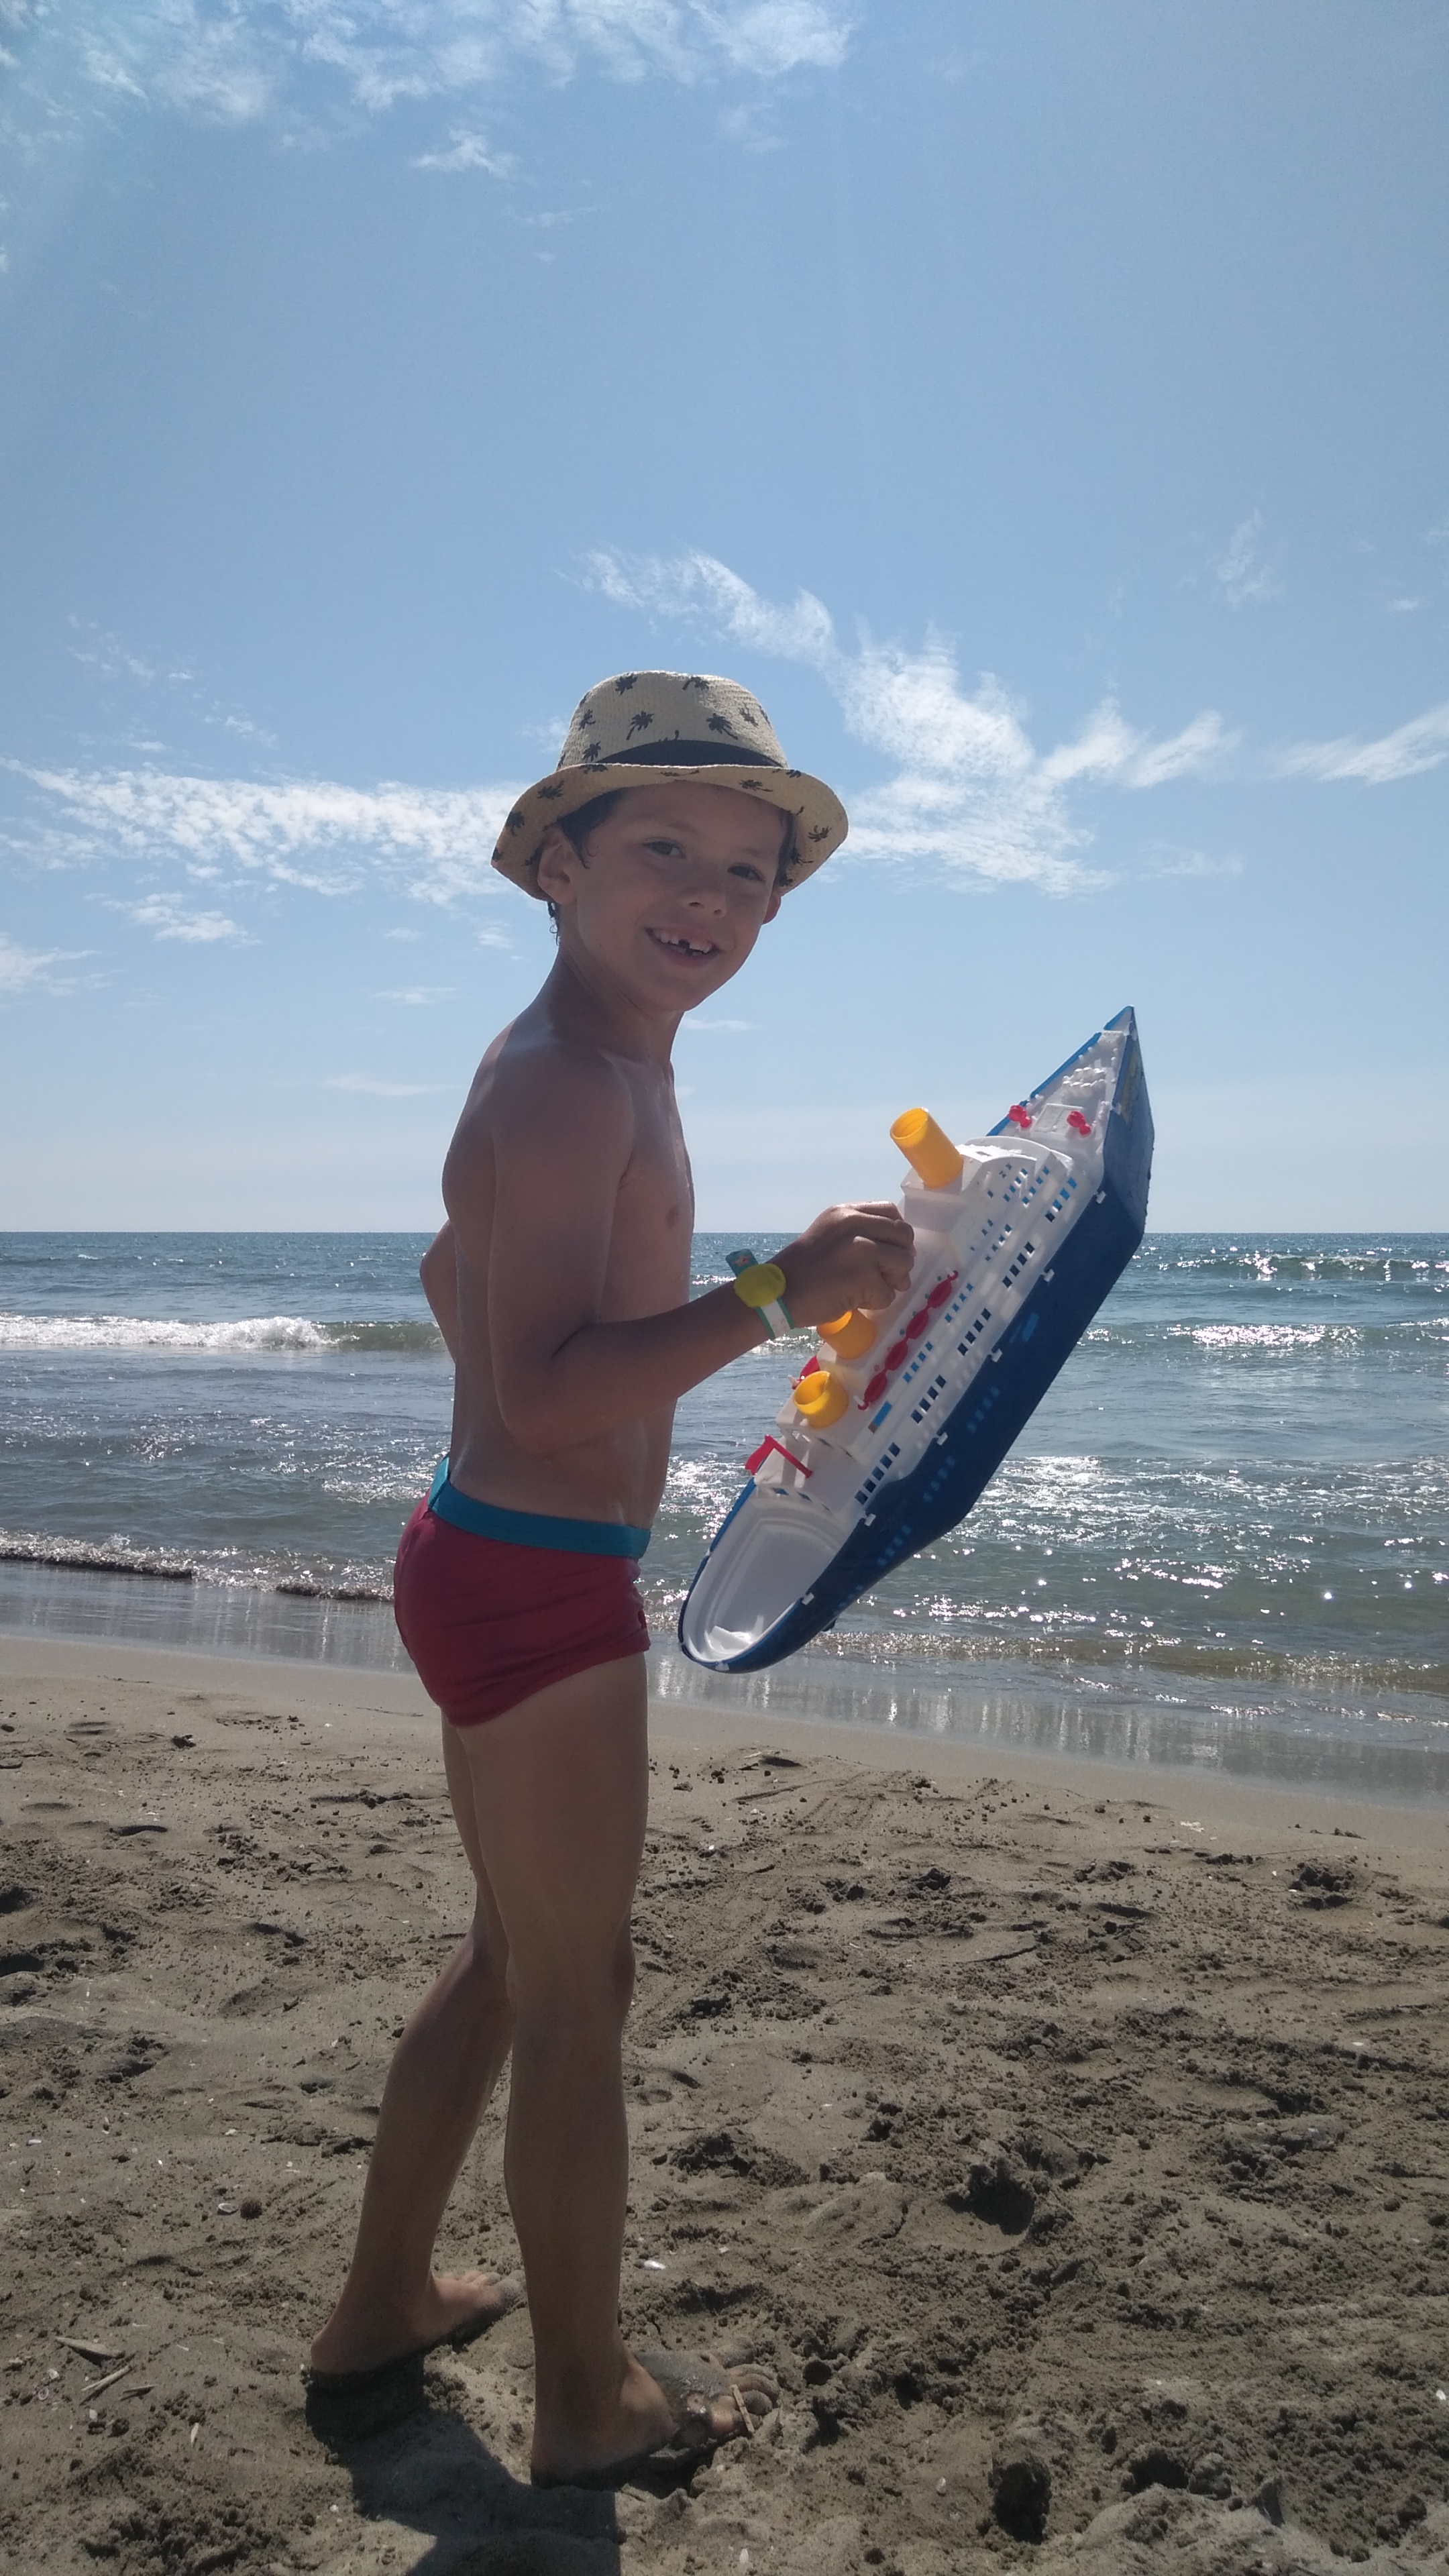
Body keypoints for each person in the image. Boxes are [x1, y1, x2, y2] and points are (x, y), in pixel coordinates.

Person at [308, 672, 914, 2487]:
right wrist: (772, 1299)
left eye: (749, 872)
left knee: (513, 1963)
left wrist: (702, 1330)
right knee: (580, 1997)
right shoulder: (574, 1081)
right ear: (557, 866)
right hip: (535, 1581)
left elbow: (453, 1277)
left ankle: (382, 2304)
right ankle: (589, 2400)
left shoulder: (586, 1064)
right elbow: (546, 1390)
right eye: (664, 848)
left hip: (492, 1553)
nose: (711, 897)